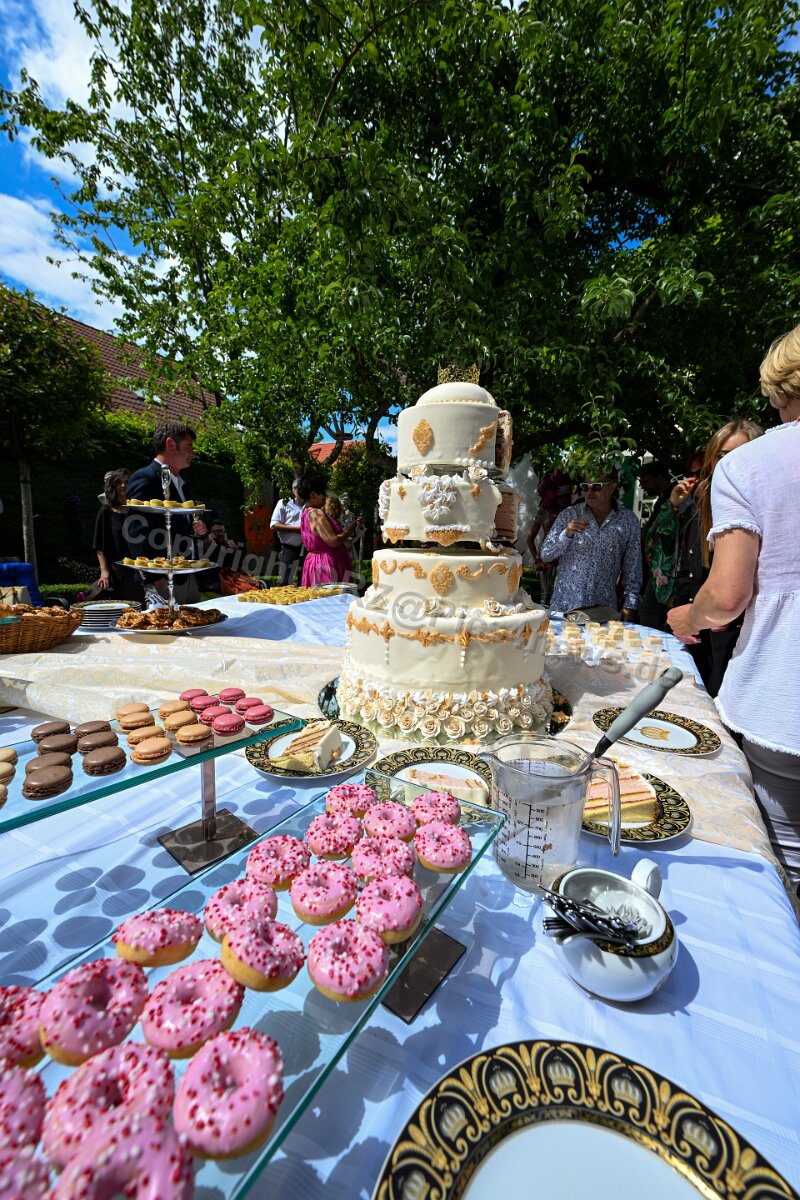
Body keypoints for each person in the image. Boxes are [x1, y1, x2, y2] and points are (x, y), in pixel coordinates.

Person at [668, 326, 800, 885]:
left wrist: (688, 616)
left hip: (786, 697)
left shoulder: (754, 466)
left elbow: (726, 595)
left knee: (783, 864)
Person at [672, 420, 763, 695]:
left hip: (738, 633)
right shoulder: (701, 501)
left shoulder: (762, 505)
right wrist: (689, 616)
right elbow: (686, 565)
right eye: (722, 456)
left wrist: (713, 616)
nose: (730, 463)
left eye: (741, 454)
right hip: (699, 629)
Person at [539, 469, 642, 619]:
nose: (590, 492)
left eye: (597, 486)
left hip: (603, 610)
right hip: (566, 605)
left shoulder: (628, 521)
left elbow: (633, 566)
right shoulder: (569, 514)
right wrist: (566, 534)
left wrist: (629, 605)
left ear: (612, 487)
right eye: (585, 487)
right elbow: (546, 554)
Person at [124, 421, 198, 602]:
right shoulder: (146, 477)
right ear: (171, 444)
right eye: (189, 446)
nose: (193, 453)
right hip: (162, 578)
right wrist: (153, 576)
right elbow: (135, 529)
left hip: (186, 575)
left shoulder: (182, 484)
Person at [637, 455, 703, 630]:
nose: (642, 486)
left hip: (673, 568)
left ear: (659, 477)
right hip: (664, 567)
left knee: (651, 612)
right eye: (692, 474)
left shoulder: (681, 496)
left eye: (646, 481)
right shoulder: (671, 497)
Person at [297, 475, 361, 586]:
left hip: (315, 561)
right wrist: (350, 529)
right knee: (331, 596)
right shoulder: (316, 514)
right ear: (313, 495)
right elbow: (333, 541)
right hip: (326, 563)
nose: (325, 497)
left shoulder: (306, 513)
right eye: (322, 493)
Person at [92, 468, 143, 602]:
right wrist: (104, 571)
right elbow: (100, 546)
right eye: (119, 482)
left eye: (127, 482)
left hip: (139, 569)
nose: (123, 485)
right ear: (113, 486)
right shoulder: (106, 512)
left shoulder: (140, 510)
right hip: (118, 571)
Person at [526, 469, 572, 605]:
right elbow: (530, 538)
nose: (565, 500)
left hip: (565, 559)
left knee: (559, 594)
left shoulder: (573, 513)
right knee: (544, 596)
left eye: (567, 496)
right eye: (562, 497)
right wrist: (536, 560)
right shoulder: (544, 512)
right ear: (554, 496)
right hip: (546, 558)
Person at [270, 479, 305, 586]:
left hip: (307, 549)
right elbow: (274, 525)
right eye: (298, 488)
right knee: (284, 581)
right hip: (289, 548)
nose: (301, 490)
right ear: (293, 489)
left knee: (305, 582)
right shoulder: (284, 503)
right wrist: (296, 529)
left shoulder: (310, 504)